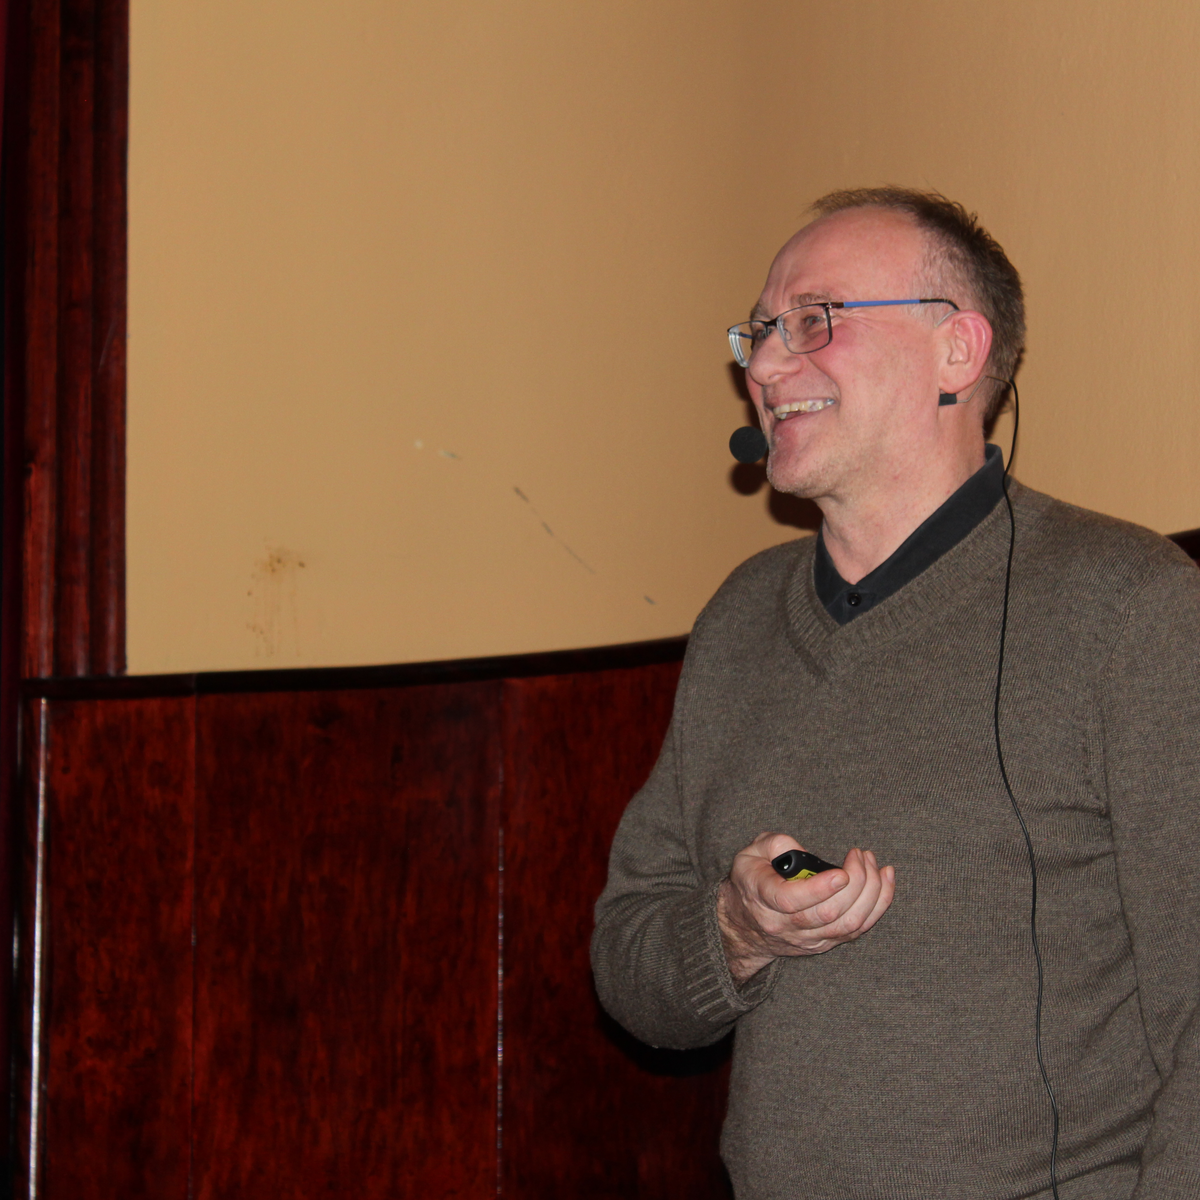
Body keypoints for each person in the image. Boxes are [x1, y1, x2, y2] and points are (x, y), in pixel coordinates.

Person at [591, 188, 1200, 1199]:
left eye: (814, 321)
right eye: (759, 332)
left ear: (957, 352)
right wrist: (735, 933)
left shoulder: (1130, 606)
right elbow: (627, 968)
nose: (764, 367)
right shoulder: (739, 619)